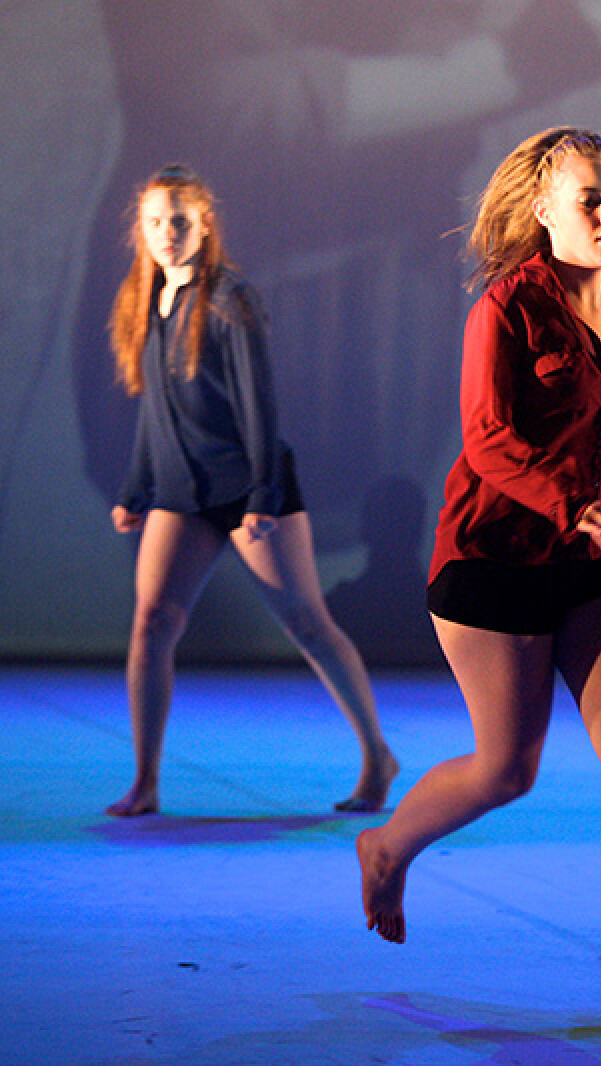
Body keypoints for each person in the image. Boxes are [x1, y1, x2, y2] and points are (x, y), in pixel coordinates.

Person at [356, 128, 601, 1019]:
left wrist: (589, 512)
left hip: (587, 554)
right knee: (508, 770)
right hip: (491, 558)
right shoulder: (506, 307)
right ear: (543, 209)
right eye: (591, 200)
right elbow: (488, 441)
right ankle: (386, 848)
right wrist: (571, 502)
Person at [105, 164, 398, 817]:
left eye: (179, 221)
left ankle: (377, 754)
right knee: (152, 622)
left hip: (245, 488)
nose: (166, 234)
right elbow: (155, 410)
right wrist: (136, 486)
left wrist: (263, 495)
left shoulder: (229, 299)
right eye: (154, 223)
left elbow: (258, 407)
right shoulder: (146, 298)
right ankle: (145, 781)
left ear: (204, 224)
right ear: (140, 230)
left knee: (307, 623)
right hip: (182, 492)